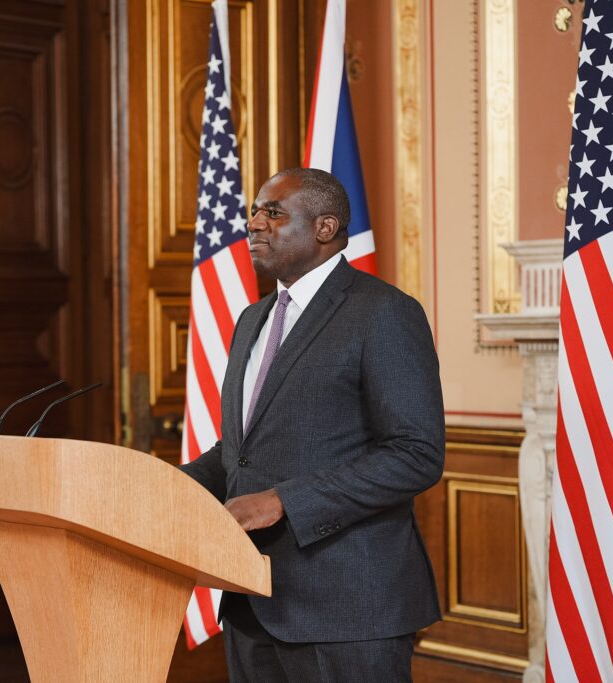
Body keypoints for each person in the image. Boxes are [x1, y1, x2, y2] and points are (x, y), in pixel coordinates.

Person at [181, 168, 444, 682]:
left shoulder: (383, 313)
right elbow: (240, 451)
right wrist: (168, 486)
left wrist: (283, 500)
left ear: (325, 229)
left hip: (347, 608)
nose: (255, 224)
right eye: (255, 211)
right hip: (251, 601)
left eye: (273, 213)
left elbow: (416, 453)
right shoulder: (252, 319)